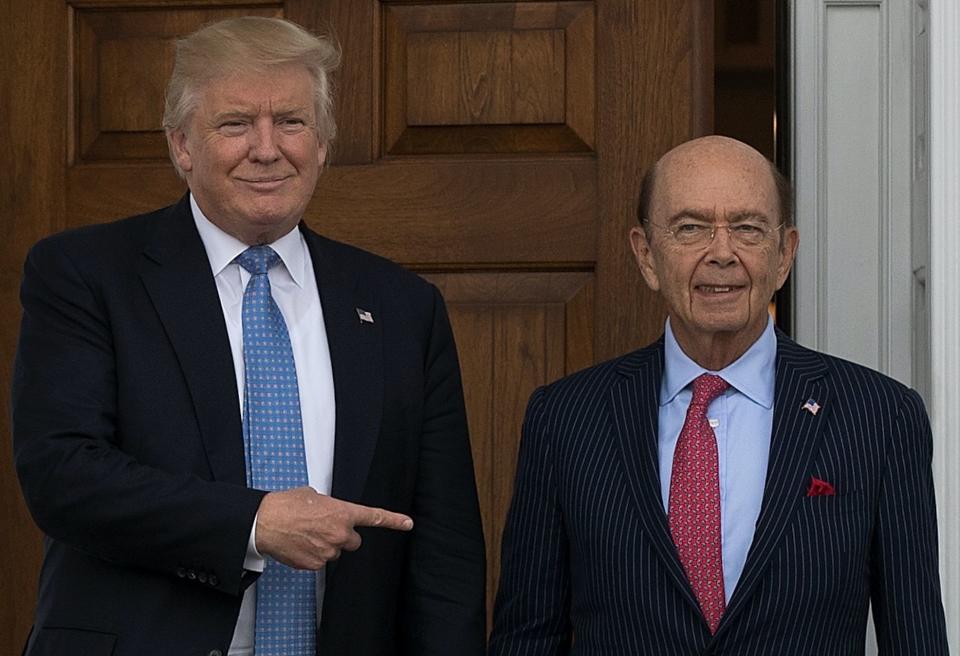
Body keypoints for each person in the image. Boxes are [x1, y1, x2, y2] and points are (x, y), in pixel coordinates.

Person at [12, 16, 485, 656]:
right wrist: (255, 524)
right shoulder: (87, 275)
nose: (267, 149)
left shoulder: (401, 307)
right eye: (235, 124)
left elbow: (443, 546)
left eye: (291, 122)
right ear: (182, 145)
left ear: (322, 144)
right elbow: (63, 474)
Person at [488, 135, 948, 655]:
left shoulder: (880, 417)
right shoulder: (566, 419)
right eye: (691, 228)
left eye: (749, 229)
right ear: (646, 255)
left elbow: (916, 639)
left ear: (784, 255)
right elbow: (528, 637)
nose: (722, 254)